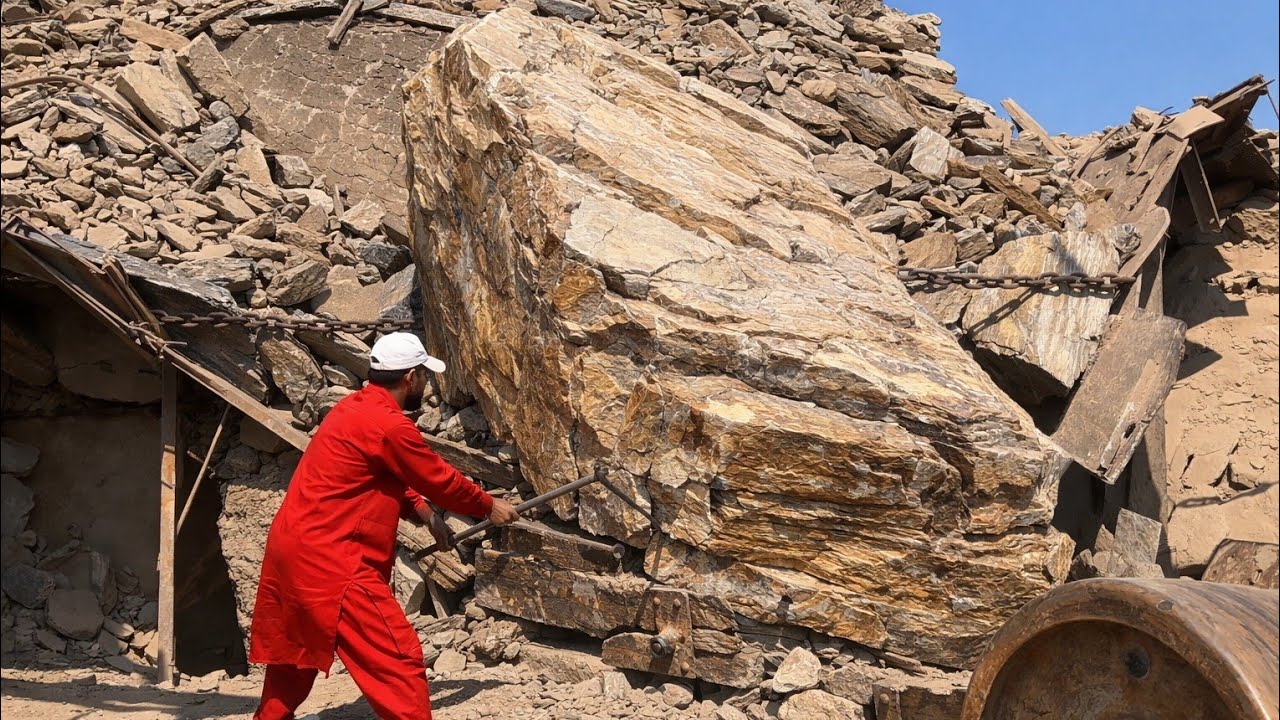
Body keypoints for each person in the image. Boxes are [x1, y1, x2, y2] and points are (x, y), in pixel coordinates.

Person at [250, 332, 520, 720]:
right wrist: (488, 505)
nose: (426, 386)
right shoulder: (390, 425)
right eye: (425, 376)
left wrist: (428, 517)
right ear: (411, 377)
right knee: (397, 658)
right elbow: (437, 477)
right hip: (334, 560)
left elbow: (384, 475)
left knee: (295, 654)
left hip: (293, 548)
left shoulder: (352, 410)